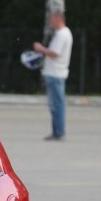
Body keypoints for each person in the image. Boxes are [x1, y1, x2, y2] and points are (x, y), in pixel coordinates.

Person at [34, 10, 73, 141]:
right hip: (55, 73)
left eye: (51, 19)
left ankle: (59, 132)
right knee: (55, 104)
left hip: (56, 73)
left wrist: (40, 49)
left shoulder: (62, 34)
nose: (50, 22)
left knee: (57, 104)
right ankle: (57, 131)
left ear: (58, 19)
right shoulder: (62, 34)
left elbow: (55, 53)